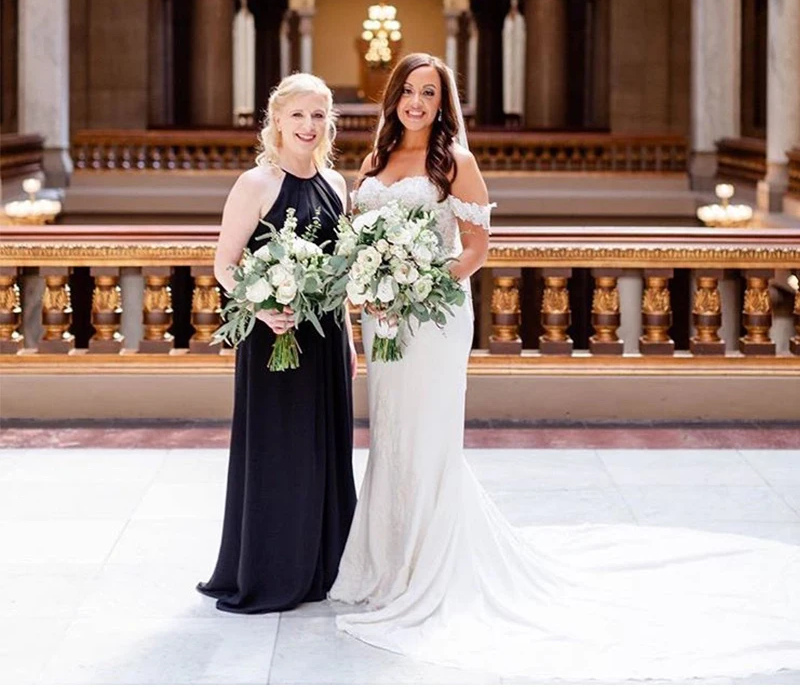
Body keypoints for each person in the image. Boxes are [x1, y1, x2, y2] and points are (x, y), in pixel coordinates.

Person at [328, 53, 800, 681]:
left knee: (429, 438)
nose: (417, 102)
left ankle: (429, 569)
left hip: (434, 317)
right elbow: (357, 239)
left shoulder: (455, 164)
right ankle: (384, 566)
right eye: (409, 91)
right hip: (385, 319)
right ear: (393, 98)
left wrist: (415, 279)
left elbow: (476, 249)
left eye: (430, 94)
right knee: (388, 437)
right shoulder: (371, 165)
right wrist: (371, 286)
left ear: (443, 105)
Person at [197, 73, 357, 614]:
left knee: (324, 451)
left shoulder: (337, 185)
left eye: (318, 116)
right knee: (279, 450)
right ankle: (270, 571)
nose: (309, 126)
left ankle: (322, 567)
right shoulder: (255, 183)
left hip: (326, 337)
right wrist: (263, 307)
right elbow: (224, 264)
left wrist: (351, 340)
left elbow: (340, 272)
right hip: (273, 338)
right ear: (277, 122)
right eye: (298, 116)